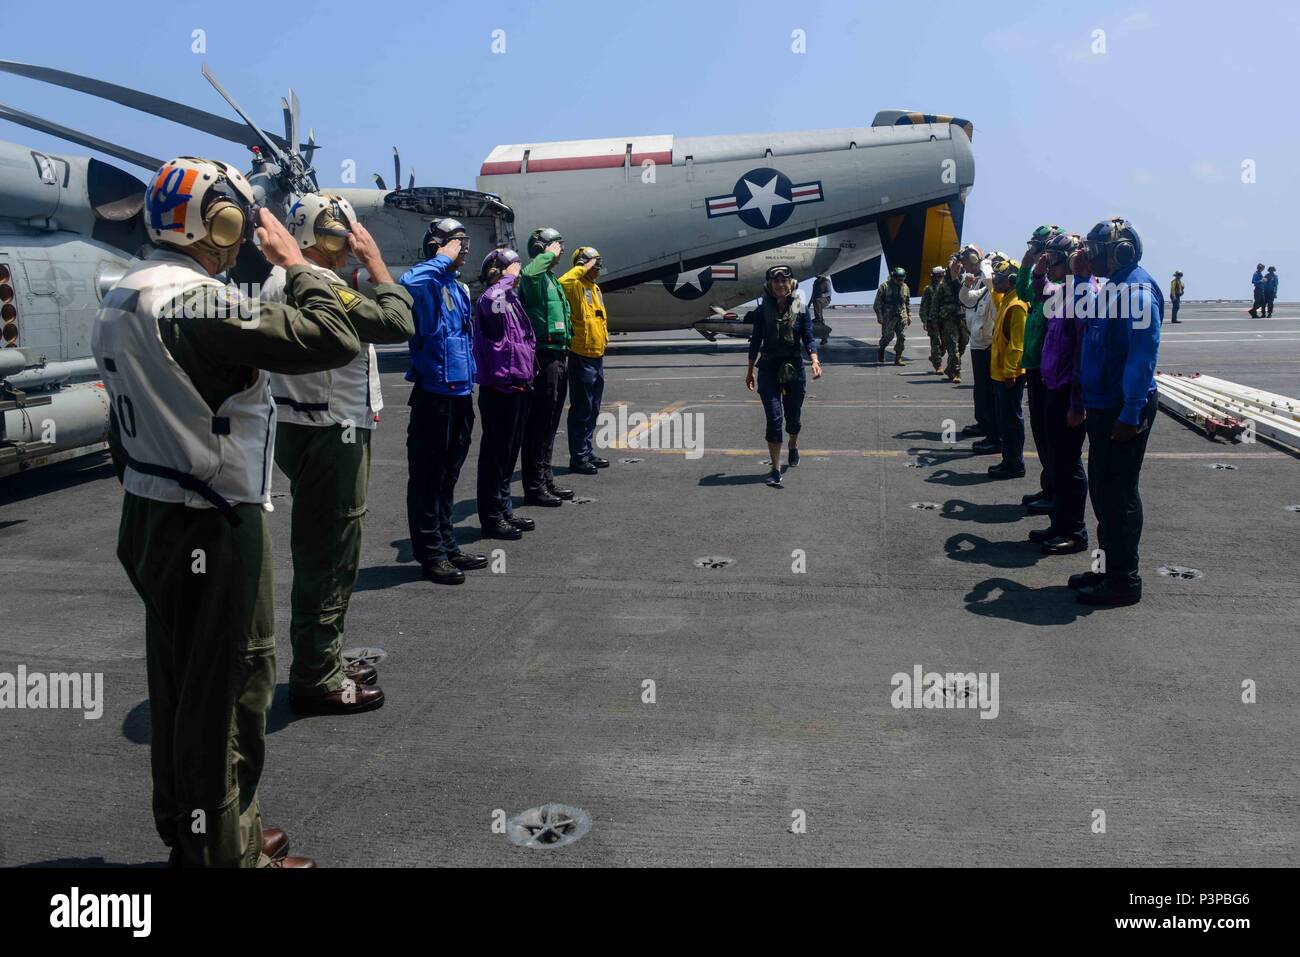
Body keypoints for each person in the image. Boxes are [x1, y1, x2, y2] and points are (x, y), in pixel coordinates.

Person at [92, 156, 363, 868]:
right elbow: (333, 337)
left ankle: (200, 833)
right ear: (219, 220)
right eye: (237, 222)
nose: (243, 239)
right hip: (212, 519)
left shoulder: (123, 294)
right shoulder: (198, 303)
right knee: (231, 693)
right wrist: (299, 262)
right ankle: (226, 854)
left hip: (149, 512)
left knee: (178, 681)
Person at [266, 193, 414, 715]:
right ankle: (316, 677)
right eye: (346, 234)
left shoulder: (282, 279)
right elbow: (396, 324)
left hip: (302, 425)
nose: (352, 242)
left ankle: (322, 657)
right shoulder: (319, 284)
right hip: (332, 432)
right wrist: (376, 263)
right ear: (326, 236)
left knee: (320, 547)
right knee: (330, 553)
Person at [1071, 217, 1162, 607]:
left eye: (1095, 251)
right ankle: (1106, 569)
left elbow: (1142, 356)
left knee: (1118, 495)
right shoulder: (1113, 289)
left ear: (1120, 252)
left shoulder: (1137, 292)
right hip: (1106, 406)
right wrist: (1077, 279)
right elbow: (1078, 315)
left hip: (1123, 410)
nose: (1089, 256)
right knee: (1103, 494)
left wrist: (1131, 411)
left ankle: (1124, 581)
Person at [402, 218, 483, 586]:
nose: (463, 247)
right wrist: (441, 257)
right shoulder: (425, 282)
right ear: (436, 246)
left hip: (461, 394)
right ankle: (430, 554)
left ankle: (448, 545)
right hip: (433, 395)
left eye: (464, 241)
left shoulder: (459, 288)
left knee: (449, 475)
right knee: (427, 477)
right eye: (456, 241)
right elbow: (408, 283)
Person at [1031, 234, 1093, 556]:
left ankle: (1075, 531)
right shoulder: (1063, 292)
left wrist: (1077, 402)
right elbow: (1040, 293)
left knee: (1069, 464)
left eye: (1054, 258)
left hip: (1070, 391)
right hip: (1053, 386)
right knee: (1056, 460)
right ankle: (1059, 524)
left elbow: (1083, 350)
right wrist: (1038, 273)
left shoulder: (1084, 293)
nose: (1050, 262)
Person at [473, 248, 537, 541]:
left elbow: (523, 338)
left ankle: (504, 509)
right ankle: (492, 517)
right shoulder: (492, 298)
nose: (518, 274)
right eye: (513, 268)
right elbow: (492, 306)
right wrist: (504, 280)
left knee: (509, 455)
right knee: (495, 457)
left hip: (518, 384)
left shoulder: (510, 301)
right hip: (499, 389)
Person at [745, 265, 823, 487]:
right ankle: (775, 468)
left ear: (791, 284)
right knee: (774, 417)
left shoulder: (800, 308)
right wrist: (750, 371)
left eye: (784, 281)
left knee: (793, 418)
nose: (780, 285)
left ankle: (793, 443)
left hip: (793, 367)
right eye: (776, 281)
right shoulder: (762, 312)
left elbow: (808, 336)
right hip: (768, 366)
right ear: (770, 285)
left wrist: (815, 360)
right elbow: (755, 342)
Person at [519, 227, 574, 505]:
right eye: (556, 245)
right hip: (543, 356)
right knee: (539, 423)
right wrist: (545, 254)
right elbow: (528, 274)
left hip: (558, 354)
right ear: (542, 248)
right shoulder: (536, 277)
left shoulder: (551, 279)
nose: (561, 250)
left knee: (551, 423)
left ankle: (546, 479)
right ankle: (534, 486)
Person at [1017, 225, 1063, 515]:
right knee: (1041, 434)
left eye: (1040, 247)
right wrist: (1027, 264)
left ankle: (1056, 493)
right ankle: (1049, 487)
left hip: (1050, 372)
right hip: (1035, 365)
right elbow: (1023, 290)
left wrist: (1040, 269)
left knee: (1053, 439)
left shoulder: (1057, 287)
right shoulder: (1041, 283)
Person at [560, 246, 610, 475]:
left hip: (596, 355)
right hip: (581, 355)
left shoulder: (595, 288)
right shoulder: (575, 286)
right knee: (582, 408)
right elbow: (565, 282)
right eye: (593, 264)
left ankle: (587, 451)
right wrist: (582, 267)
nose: (597, 268)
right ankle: (578, 457)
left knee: (593, 408)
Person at [988, 257, 1028, 479]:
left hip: (1009, 375)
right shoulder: (1006, 299)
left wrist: (1011, 372)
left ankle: (1014, 463)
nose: (996, 281)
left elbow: (1017, 343)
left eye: (1000, 278)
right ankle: (1008, 459)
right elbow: (996, 299)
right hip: (1001, 373)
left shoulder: (1017, 305)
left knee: (1012, 421)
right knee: (1006, 420)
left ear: (1012, 281)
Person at [936, 255, 968, 382]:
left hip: (962, 317)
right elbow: (935, 304)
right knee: (953, 347)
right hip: (948, 319)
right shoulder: (943, 285)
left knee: (963, 344)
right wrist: (934, 322)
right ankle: (957, 373)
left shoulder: (966, 282)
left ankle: (950, 368)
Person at [874, 266, 910, 365]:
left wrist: (909, 315)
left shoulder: (906, 287)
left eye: (902, 279)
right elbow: (877, 303)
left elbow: (907, 302)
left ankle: (898, 357)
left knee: (902, 337)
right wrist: (879, 316)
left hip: (901, 316)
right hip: (888, 317)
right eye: (898, 279)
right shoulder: (884, 287)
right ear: (893, 277)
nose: (900, 281)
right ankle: (882, 349)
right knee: (888, 337)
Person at [920, 265, 946, 374]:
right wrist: (925, 321)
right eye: (938, 275)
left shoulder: (946, 287)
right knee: (935, 342)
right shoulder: (928, 289)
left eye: (942, 275)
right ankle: (938, 365)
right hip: (932, 320)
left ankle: (935, 357)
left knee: (945, 344)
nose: (940, 277)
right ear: (934, 276)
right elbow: (924, 306)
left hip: (945, 319)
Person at [811, 273, 833, 342]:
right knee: (820, 318)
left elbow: (829, 292)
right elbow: (813, 293)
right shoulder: (815, 282)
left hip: (826, 299)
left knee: (817, 301)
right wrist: (809, 303)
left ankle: (818, 319)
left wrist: (821, 295)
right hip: (817, 300)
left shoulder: (826, 281)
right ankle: (824, 338)